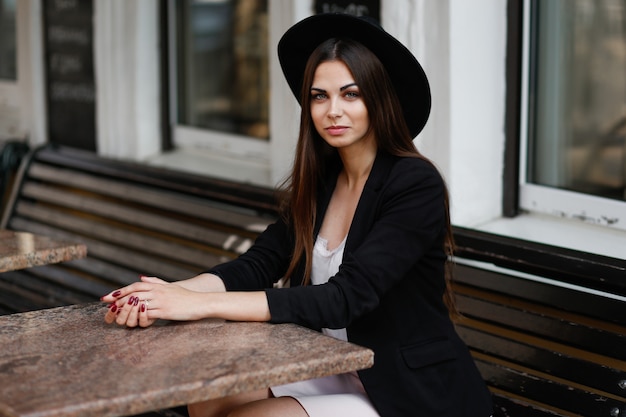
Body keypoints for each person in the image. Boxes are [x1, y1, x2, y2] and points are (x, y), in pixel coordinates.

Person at [101, 13, 494, 417]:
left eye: (351, 94)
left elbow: (344, 298)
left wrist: (197, 306)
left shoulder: (414, 184)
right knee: (208, 399)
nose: (333, 111)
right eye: (319, 96)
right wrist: (163, 295)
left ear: (379, 98)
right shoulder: (323, 181)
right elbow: (258, 263)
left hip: (404, 387)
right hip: (336, 366)